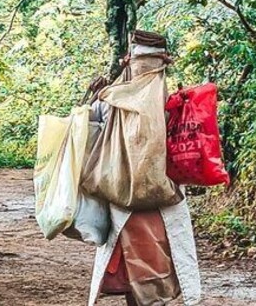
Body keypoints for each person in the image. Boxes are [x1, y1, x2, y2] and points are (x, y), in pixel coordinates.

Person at [88, 31, 201, 306]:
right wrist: (94, 98)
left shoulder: (112, 101)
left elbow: (88, 136)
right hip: (151, 206)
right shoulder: (171, 105)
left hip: (137, 207)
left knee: (144, 272)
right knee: (143, 272)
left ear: (127, 61)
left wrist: (94, 98)